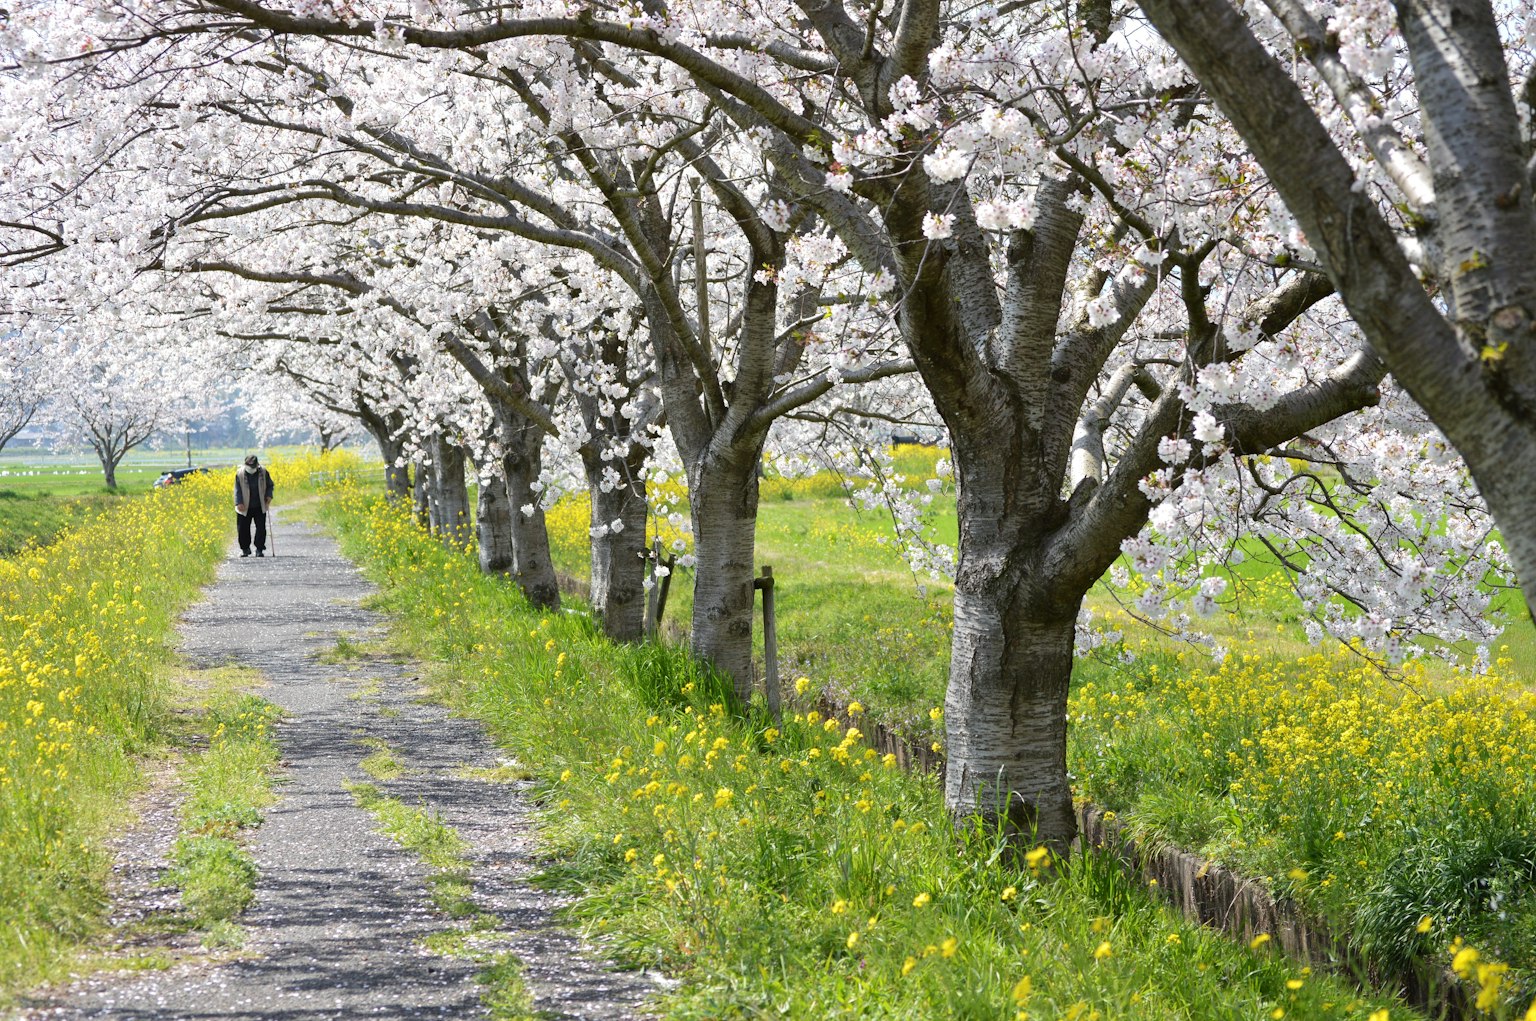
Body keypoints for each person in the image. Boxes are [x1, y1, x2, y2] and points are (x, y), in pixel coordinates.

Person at [234, 455, 275, 558]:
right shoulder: (240, 473)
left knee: (261, 528)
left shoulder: (264, 472)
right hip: (244, 506)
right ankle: (245, 549)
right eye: (249, 467)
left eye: (253, 467)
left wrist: (269, 495)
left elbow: (270, 485)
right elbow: (237, 489)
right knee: (242, 529)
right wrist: (239, 502)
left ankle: (259, 549)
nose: (251, 469)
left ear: (257, 465)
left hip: (259, 505)